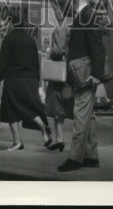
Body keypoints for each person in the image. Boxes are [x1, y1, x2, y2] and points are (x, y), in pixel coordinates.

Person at [58, 0, 106, 172]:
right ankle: (91, 155)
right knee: (89, 116)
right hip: (83, 72)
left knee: (80, 114)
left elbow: (97, 47)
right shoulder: (83, 14)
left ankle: (75, 158)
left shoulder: (86, 15)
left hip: (85, 74)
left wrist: (96, 74)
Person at [0, 6, 51, 151]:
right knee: (29, 108)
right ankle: (43, 127)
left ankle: (17, 141)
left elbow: (3, 62)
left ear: (12, 23)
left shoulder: (9, 40)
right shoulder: (30, 40)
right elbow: (36, 63)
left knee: (10, 109)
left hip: (14, 79)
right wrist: (38, 83)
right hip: (30, 79)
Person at [44, 21, 71, 151]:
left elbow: (59, 50)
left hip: (58, 74)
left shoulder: (60, 28)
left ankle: (59, 139)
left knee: (57, 106)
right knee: (60, 108)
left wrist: (50, 53)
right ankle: (59, 139)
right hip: (66, 71)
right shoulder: (69, 27)